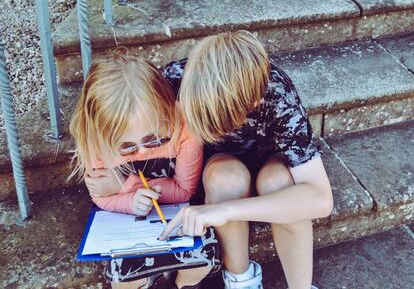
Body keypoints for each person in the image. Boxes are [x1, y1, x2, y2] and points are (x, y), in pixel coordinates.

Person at [160, 31, 334, 289]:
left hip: (270, 163)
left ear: (253, 102)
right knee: (225, 178)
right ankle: (241, 280)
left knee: (279, 183)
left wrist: (226, 210)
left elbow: (320, 199)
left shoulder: (275, 93)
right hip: (217, 170)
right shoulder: (175, 80)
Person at [69, 54, 220, 289]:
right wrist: (129, 200)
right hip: (128, 222)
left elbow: (184, 191)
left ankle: (177, 284)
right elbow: (100, 197)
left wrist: (123, 185)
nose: (140, 151)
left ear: (167, 110)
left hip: (179, 214)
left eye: (153, 140)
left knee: (201, 262)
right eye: (126, 147)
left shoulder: (185, 128)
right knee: (124, 281)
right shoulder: (94, 140)